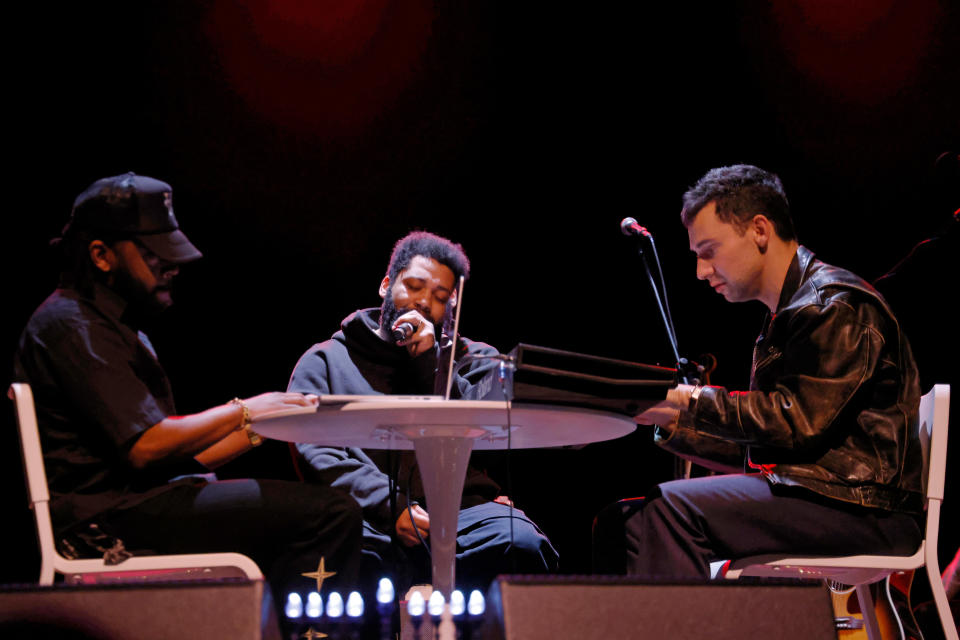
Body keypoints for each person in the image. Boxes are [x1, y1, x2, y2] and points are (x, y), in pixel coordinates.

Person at [13, 172, 363, 611]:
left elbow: (177, 456)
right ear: (101, 255)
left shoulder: (115, 329)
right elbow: (146, 447)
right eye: (154, 254)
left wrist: (269, 425)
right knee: (330, 515)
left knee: (315, 512)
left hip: (141, 503)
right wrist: (244, 410)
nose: (171, 267)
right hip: (105, 519)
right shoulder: (71, 326)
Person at [594, 164, 924, 579]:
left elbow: (795, 422)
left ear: (760, 230)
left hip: (865, 510)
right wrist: (668, 416)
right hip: (819, 496)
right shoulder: (789, 313)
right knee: (619, 523)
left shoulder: (834, 305)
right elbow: (764, 447)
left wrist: (686, 400)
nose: (700, 271)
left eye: (709, 251)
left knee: (668, 511)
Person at [287, 231, 558, 591]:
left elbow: (485, 427)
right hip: (367, 513)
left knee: (522, 544)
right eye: (413, 287)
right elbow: (315, 449)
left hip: (463, 510)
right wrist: (390, 505)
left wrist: (432, 365)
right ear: (386, 286)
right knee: (358, 565)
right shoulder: (325, 359)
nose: (423, 303)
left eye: (439, 297)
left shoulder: (475, 359)